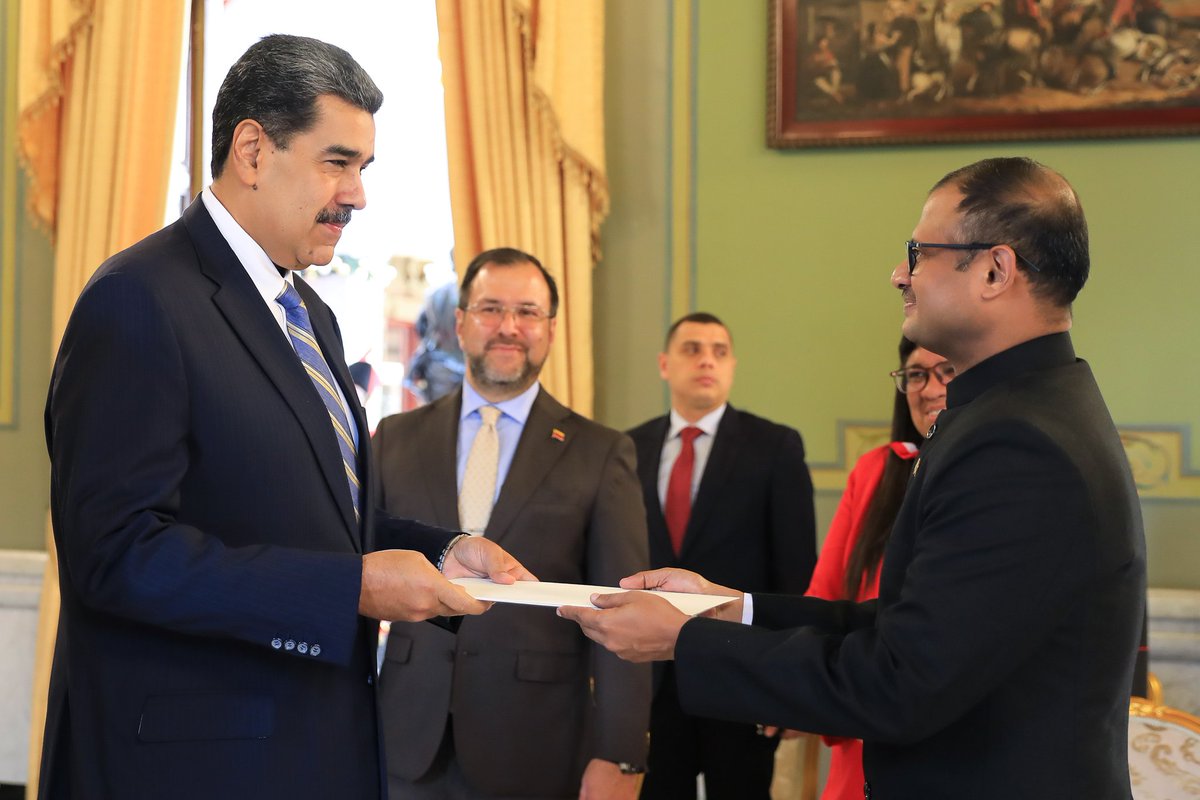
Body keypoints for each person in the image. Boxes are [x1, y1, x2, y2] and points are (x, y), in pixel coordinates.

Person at [561, 157, 1146, 799]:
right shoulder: (1025, 408)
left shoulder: (1019, 442)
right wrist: (729, 610)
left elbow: (901, 680)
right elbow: (911, 625)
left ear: (994, 270)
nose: (901, 274)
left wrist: (685, 639)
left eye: (919, 252)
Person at [40, 35, 531, 800]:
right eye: (338, 161)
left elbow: (317, 519)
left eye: (363, 168)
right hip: (193, 769)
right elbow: (116, 556)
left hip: (312, 752)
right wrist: (351, 591)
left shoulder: (312, 316)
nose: (358, 194)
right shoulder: (137, 299)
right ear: (252, 150)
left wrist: (443, 553)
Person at [373, 247, 651, 799]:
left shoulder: (600, 452)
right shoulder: (395, 437)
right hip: (403, 738)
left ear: (550, 328)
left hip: (535, 743)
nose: (508, 328)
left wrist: (620, 752)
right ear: (460, 323)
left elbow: (623, 611)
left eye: (527, 312)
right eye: (490, 309)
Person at [625, 312, 817, 799]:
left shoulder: (775, 446)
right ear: (665, 364)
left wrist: (787, 682)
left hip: (741, 671)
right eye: (692, 349)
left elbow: (794, 574)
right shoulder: (627, 449)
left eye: (719, 350)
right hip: (647, 678)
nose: (707, 359)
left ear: (731, 366)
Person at [804, 337, 952, 800]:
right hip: (861, 711)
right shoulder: (874, 471)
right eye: (915, 374)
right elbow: (826, 593)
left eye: (945, 371)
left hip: (940, 725)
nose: (929, 388)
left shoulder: (986, 472)